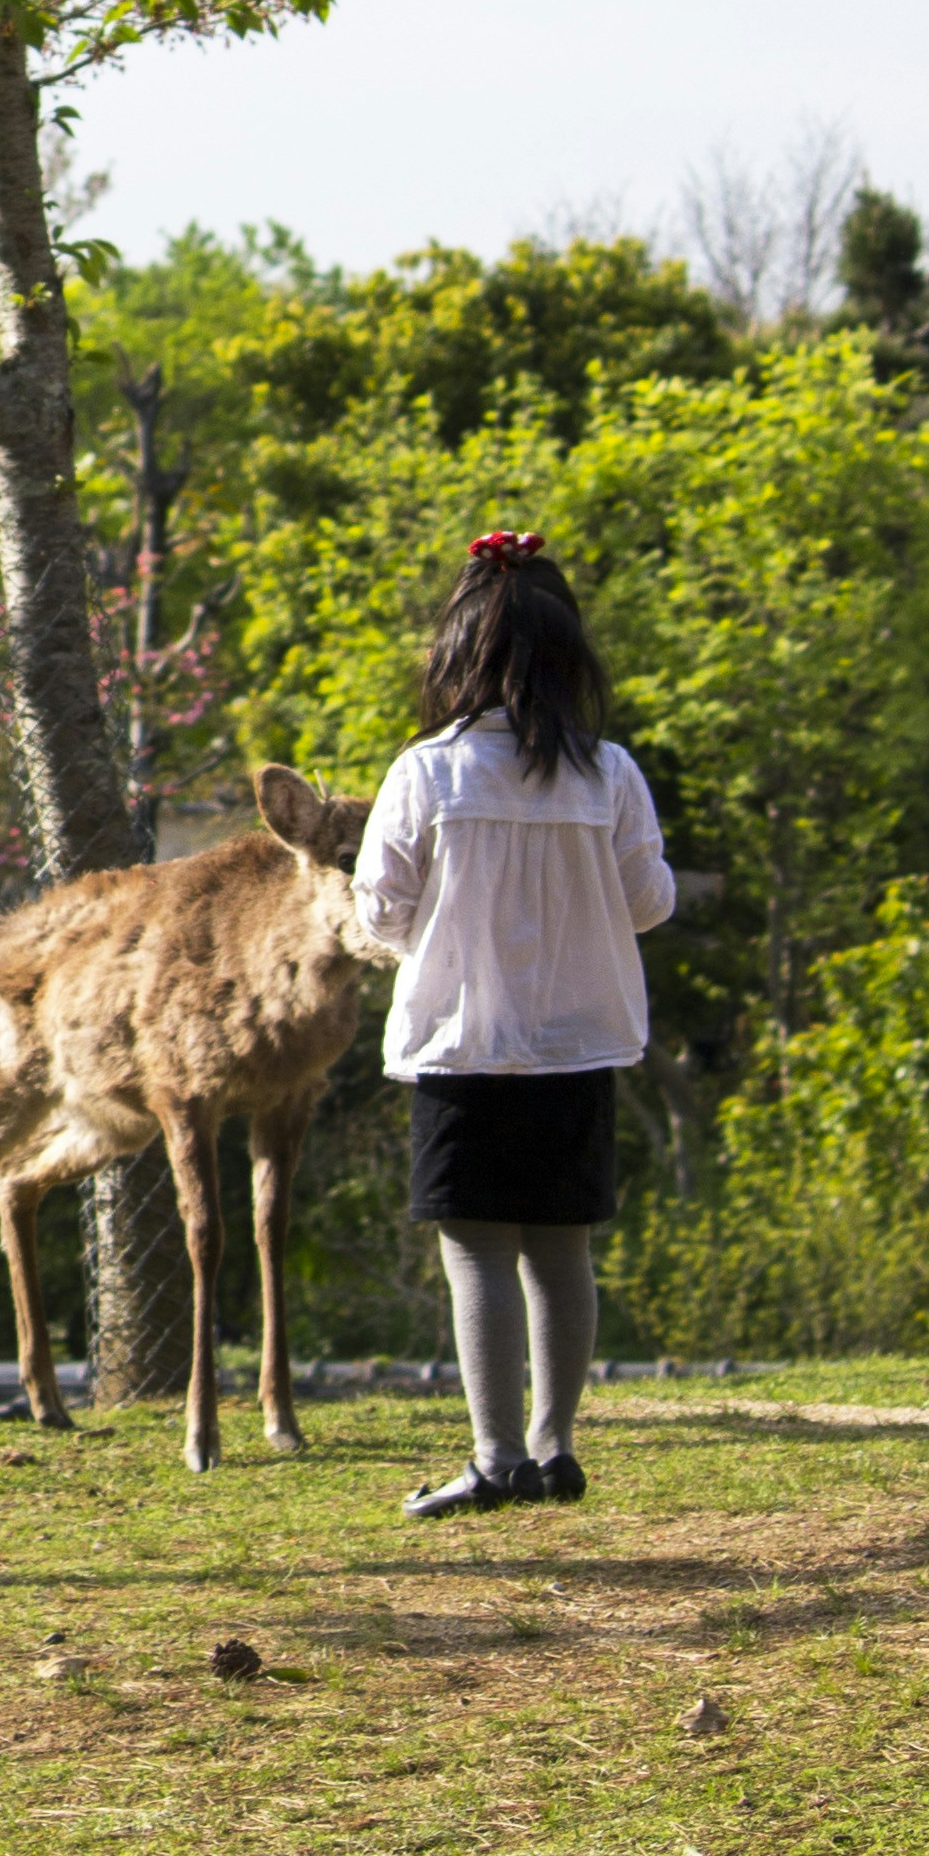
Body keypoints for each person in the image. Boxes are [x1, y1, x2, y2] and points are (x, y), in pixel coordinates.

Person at [348, 531, 672, 1517]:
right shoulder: (608, 773)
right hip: (581, 1044)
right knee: (562, 1251)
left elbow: (380, 911)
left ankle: (493, 1461)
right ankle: (555, 1449)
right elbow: (649, 902)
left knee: (478, 1251)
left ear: (456, 657)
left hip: (464, 1046)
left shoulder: (428, 773)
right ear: (569, 657)